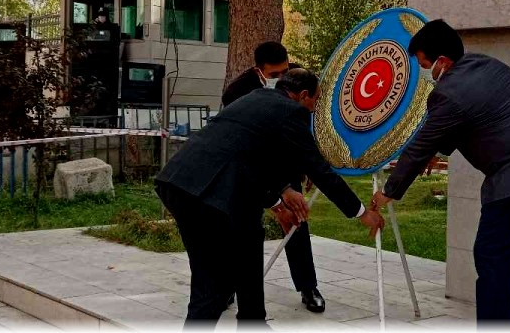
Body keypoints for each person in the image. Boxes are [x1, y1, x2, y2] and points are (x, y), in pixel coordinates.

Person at [372, 19, 510, 322]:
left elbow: (420, 147)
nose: (426, 73)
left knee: (493, 258)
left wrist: (390, 191)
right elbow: (468, 126)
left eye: (425, 65)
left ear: (443, 61)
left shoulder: (448, 93)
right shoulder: (488, 65)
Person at [156, 68, 385, 326]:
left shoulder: (255, 99)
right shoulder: (292, 112)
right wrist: (361, 213)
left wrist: (280, 198)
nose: (314, 108)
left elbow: (249, 156)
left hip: (182, 182)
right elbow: (318, 169)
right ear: (303, 95)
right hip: (209, 195)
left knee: (248, 248)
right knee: (215, 284)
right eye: (316, 100)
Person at [220, 42, 325, 312]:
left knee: (296, 221)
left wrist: (309, 164)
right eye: (274, 74)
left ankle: (308, 286)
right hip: (252, 166)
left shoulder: (299, 79)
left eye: (284, 71)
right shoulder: (236, 92)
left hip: (286, 162)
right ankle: (230, 285)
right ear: (259, 70)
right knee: (242, 227)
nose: (281, 79)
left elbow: (307, 119)